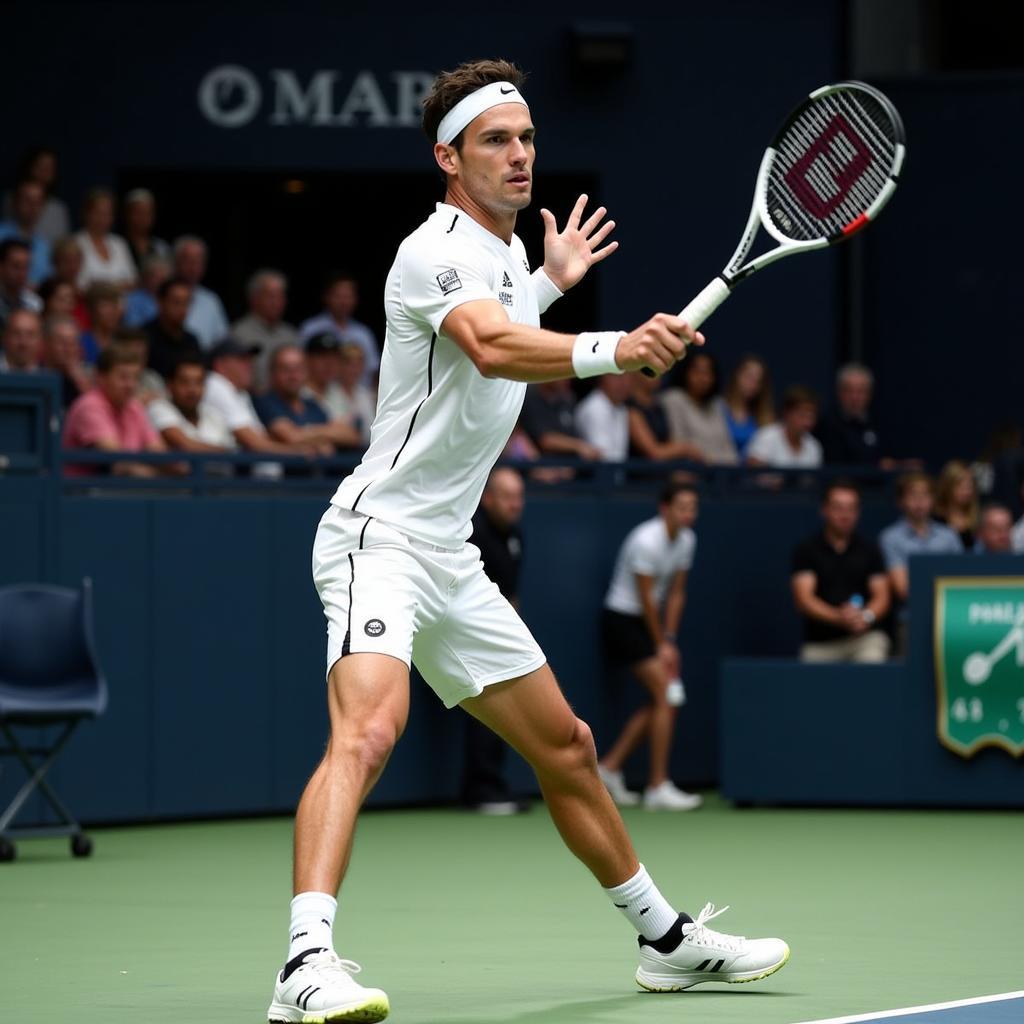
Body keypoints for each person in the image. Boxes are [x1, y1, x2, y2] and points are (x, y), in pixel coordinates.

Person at [266, 59, 787, 1024]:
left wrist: (548, 284)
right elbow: (492, 347)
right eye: (495, 141)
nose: (519, 155)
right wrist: (618, 345)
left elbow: (508, 320)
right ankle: (304, 964)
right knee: (370, 731)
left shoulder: (506, 259)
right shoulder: (431, 249)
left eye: (528, 138)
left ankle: (664, 940)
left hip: (451, 556)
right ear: (448, 158)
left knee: (571, 747)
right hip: (376, 536)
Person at [597, 482, 703, 811]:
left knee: (663, 699)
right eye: (682, 506)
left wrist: (669, 640)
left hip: (650, 624)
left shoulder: (687, 540)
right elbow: (645, 598)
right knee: (665, 694)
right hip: (623, 620)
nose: (688, 513)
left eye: (692, 507)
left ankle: (609, 768)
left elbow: (675, 593)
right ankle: (657, 786)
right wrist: (662, 646)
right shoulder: (646, 540)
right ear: (664, 508)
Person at [462, 467, 530, 813]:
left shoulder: (515, 537)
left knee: (506, 705)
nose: (515, 504)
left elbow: (511, 596)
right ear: (487, 499)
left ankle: (492, 786)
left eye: (519, 497)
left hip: (494, 638)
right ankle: (482, 790)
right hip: (463, 639)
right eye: (507, 497)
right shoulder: (472, 534)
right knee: (489, 704)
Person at [791, 479, 891, 662]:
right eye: (838, 508)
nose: (845, 515)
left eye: (851, 508)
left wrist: (866, 617)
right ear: (824, 510)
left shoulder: (870, 549)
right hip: (820, 642)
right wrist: (838, 617)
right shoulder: (807, 549)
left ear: (858, 512)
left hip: (864, 638)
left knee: (874, 654)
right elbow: (804, 599)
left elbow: (882, 595)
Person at [61, 344, 167, 476]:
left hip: (119, 491)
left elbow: (160, 453)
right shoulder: (89, 406)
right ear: (101, 378)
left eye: (135, 377)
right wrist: (160, 475)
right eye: (123, 377)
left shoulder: (134, 406)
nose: (130, 385)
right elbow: (119, 460)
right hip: (80, 491)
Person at [255, 344, 361, 451]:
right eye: (285, 369)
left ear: (306, 372)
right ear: (272, 373)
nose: (293, 376)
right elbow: (292, 437)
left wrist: (311, 433)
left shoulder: (311, 404)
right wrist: (324, 438)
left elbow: (352, 436)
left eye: (298, 369)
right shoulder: (265, 401)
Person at [300, 272, 379, 387]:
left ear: (355, 299)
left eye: (347, 297)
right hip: (318, 395)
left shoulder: (364, 334)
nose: (343, 302)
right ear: (326, 297)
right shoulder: (311, 328)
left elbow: (372, 372)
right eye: (338, 296)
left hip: (357, 398)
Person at [660, 350, 738, 464]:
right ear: (686, 372)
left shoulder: (717, 404)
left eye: (708, 373)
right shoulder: (673, 399)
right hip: (690, 472)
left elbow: (729, 449)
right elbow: (679, 443)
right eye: (697, 372)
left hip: (721, 475)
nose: (703, 378)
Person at [148, 354, 234, 453]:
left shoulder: (214, 415)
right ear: (170, 385)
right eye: (185, 382)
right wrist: (225, 452)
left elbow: (230, 450)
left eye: (198, 382)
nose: (192, 390)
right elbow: (185, 445)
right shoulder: (158, 407)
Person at [231, 269, 300, 388]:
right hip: (253, 401)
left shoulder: (291, 334)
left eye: (280, 296)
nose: (276, 302)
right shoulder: (238, 334)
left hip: (288, 402)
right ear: (254, 298)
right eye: (270, 296)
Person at [626, 369, 705, 462]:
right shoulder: (631, 409)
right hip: (642, 472)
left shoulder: (659, 406)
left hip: (665, 471)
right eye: (649, 369)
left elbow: (670, 443)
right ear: (635, 373)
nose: (657, 374)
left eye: (657, 369)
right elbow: (654, 452)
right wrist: (687, 449)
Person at [2, 146, 71, 245]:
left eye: (49, 167)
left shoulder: (59, 209)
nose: (45, 171)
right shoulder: (9, 200)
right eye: (41, 166)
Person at [518, 379, 600, 460]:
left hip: (572, 465)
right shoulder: (530, 397)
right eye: (562, 374)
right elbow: (546, 440)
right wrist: (579, 446)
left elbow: (573, 433)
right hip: (539, 465)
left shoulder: (567, 399)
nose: (567, 379)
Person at [173, 235, 229, 349]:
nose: (193, 267)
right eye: (188, 261)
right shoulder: (162, 295)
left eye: (198, 261)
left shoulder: (211, 300)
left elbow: (222, 341)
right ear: (176, 261)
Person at [746, 385, 823, 468]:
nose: (807, 422)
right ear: (787, 413)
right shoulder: (766, 437)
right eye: (802, 415)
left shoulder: (814, 447)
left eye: (811, 417)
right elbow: (754, 474)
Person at [74, 188, 136, 291]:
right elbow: (80, 284)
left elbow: (132, 281)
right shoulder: (76, 243)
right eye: (97, 213)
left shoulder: (119, 243)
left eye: (107, 214)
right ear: (86, 213)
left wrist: (102, 285)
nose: (102, 218)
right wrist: (115, 286)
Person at [143, 277, 202, 381]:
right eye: (176, 302)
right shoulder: (144, 338)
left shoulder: (191, 341)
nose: (182, 309)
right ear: (160, 302)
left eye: (186, 303)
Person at [0, 179, 52, 285]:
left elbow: (47, 280)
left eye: (37, 202)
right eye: (28, 200)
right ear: (16, 202)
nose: (32, 206)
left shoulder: (44, 245)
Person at [722, 354, 774, 459]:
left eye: (758, 381)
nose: (752, 384)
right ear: (737, 375)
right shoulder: (717, 408)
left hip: (752, 474)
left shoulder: (765, 418)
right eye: (748, 377)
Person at [574, 373, 631, 461]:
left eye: (626, 377)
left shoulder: (621, 408)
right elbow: (603, 455)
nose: (623, 383)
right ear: (602, 378)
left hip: (617, 471)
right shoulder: (594, 407)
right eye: (616, 377)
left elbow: (620, 455)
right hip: (594, 472)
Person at [42, 314, 92, 408]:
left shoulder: (92, 375)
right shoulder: (34, 372)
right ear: (46, 344)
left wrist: (79, 379)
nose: (68, 349)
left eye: (73, 343)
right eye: (62, 342)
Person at [121, 189, 170, 272]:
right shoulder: (118, 244)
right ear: (127, 214)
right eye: (138, 212)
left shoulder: (160, 247)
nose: (142, 218)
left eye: (147, 213)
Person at [934, 460, 979, 550]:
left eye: (969, 486)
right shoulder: (935, 519)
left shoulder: (979, 518)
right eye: (960, 486)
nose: (966, 491)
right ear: (947, 486)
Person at [0, 238, 43, 329]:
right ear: (1, 266)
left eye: (26, 266)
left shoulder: (34, 304)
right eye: (16, 266)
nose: (22, 273)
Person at [79, 282, 124, 364]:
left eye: (115, 305)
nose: (113, 312)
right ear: (91, 309)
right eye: (106, 306)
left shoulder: (125, 342)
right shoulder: (80, 343)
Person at [123, 254, 171, 328]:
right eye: (156, 277)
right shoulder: (132, 300)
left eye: (163, 277)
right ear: (145, 277)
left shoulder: (170, 299)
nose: (161, 281)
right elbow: (133, 327)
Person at [0, 308, 43, 372]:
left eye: (30, 335)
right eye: (16, 334)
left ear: (40, 339)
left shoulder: (53, 375)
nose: (23, 342)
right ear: (4, 337)